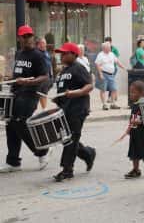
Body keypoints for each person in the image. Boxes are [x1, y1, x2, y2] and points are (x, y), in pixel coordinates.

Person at [0, 25, 50, 173]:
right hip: (16, 93)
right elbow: (18, 73)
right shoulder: (19, 54)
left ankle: (42, 152)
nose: (28, 39)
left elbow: (44, 76)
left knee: (20, 123)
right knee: (11, 125)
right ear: (19, 38)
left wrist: (28, 82)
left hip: (30, 94)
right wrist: (10, 79)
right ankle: (13, 162)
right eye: (25, 36)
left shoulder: (38, 55)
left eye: (30, 36)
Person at [52, 42, 96, 182]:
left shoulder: (78, 68)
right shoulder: (63, 71)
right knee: (69, 138)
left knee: (71, 139)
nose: (62, 56)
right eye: (61, 53)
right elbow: (63, 92)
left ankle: (67, 170)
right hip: (66, 110)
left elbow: (89, 86)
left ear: (73, 54)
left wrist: (76, 93)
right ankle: (88, 153)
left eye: (64, 53)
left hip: (78, 109)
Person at [124, 81, 144, 179]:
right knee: (134, 152)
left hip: (142, 134)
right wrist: (129, 128)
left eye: (133, 92)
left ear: (141, 93)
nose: (131, 94)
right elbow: (132, 118)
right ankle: (136, 170)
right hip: (135, 133)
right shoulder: (134, 104)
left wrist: (140, 122)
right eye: (130, 92)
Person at [95, 42, 125, 110]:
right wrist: (100, 74)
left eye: (110, 47)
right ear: (104, 48)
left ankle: (113, 104)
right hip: (104, 74)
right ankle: (104, 104)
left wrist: (123, 67)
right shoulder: (100, 55)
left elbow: (117, 61)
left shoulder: (112, 54)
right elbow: (97, 64)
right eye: (108, 48)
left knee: (114, 89)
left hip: (111, 74)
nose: (109, 49)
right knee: (103, 89)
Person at [36, 38, 53, 109]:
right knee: (38, 94)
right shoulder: (36, 53)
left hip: (47, 77)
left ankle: (44, 109)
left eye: (45, 43)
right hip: (39, 77)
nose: (45, 45)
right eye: (43, 43)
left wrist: (51, 76)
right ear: (38, 44)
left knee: (44, 94)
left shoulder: (46, 53)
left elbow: (50, 65)